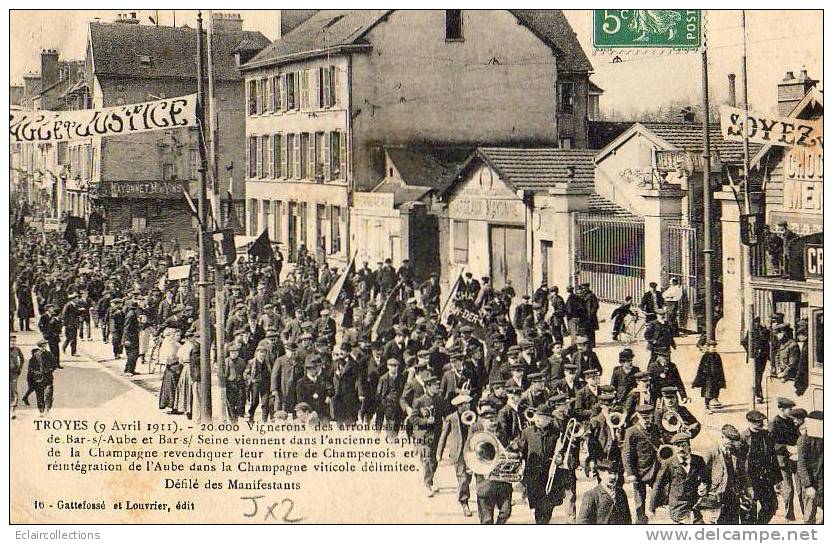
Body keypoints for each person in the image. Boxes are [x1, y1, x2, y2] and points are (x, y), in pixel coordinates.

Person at [648, 432, 708, 524]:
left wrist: (704, 488)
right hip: (677, 508)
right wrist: (651, 508)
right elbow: (658, 486)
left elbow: (706, 480)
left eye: (683, 445)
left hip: (695, 506)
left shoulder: (698, 460)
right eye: (677, 446)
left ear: (689, 446)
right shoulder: (669, 463)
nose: (681, 449)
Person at [468, 405, 513, 524]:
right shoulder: (477, 436)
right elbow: (469, 452)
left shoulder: (502, 433)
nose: (492, 423)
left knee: (506, 512)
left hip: (502, 481)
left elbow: (507, 451)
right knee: (486, 520)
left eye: (494, 419)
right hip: (485, 482)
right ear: (482, 421)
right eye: (489, 420)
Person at [700, 424, 751, 524]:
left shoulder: (734, 451)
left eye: (734, 441)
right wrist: (704, 487)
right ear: (722, 437)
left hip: (733, 496)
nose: (733, 443)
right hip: (716, 497)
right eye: (730, 441)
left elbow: (741, 472)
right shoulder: (711, 452)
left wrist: (747, 488)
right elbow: (701, 472)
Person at [738, 410, 780, 524]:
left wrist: (777, 480)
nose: (761, 424)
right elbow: (739, 463)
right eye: (757, 422)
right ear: (750, 422)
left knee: (771, 505)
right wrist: (743, 484)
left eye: (761, 421)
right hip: (750, 479)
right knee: (749, 509)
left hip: (765, 478)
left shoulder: (766, 435)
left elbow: (773, 458)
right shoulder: (743, 438)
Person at [623, 403, 661, 523]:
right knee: (639, 500)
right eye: (644, 418)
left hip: (654, 468)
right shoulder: (631, 431)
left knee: (658, 490)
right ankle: (640, 522)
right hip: (639, 470)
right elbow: (627, 453)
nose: (647, 420)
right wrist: (630, 472)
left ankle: (651, 512)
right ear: (638, 416)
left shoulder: (655, 428)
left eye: (649, 417)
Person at [437, 393, 474, 517]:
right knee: (463, 478)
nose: (468, 405)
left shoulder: (473, 416)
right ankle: (464, 503)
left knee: (468, 478)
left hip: (470, 451)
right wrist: (439, 452)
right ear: (459, 406)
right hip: (458, 453)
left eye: (468, 403)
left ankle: (462, 495)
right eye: (466, 404)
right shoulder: (451, 418)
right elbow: (443, 436)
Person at [411, 375, 443, 496]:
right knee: (426, 460)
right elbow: (413, 418)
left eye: (437, 385)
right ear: (428, 386)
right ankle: (428, 484)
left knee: (434, 460)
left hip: (436, 434)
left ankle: (430, 479)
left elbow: (445, 412)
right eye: (435, 385)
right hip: (423, 435)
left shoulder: (439, 399)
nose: (437, 387)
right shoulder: (419, 401)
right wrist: (425, 421)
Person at [769, 397, 800, 521]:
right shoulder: (774, 423)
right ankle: (789, 515)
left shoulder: (792, 422)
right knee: (788, 489)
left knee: (801, 488)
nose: (791, 411)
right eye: (789, 409)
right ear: (781, 409)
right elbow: (771, 444)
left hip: (795, 459)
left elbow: (797, 437)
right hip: (782, 461)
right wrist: (787, 448)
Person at [577, 459, 631, 524]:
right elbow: (582, 521)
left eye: (615, 473)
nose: (613, 477)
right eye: (609, 473)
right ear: (601, 474)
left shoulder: (621, 493)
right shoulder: (591, 495)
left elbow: (627, 518)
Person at [796, 410, 823, 523]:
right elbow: (801, 465)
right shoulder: (804, 440)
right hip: (811, 483)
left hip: (823, 481)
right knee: (809, 516)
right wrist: (808, 485)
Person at [27, 339, 59, 418]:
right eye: (42, 346)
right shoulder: (35, 355)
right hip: (39, 379)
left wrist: (50, 369)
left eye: (45, 346)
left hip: (48, 378)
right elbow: (31, 367)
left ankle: (47, 410)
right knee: (40, 395)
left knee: (48, 394)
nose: (44, 347)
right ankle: (41, 411)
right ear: (39, 346)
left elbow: (55, 364)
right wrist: (36, 373)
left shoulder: (49, 354)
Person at [692, 341, 726, 413]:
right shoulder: (705, 356)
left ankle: (713, 403)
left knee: (715, 391)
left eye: (714, 347)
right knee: (708, 393)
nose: (713, 348)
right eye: (712, 347)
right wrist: (700, 378)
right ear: (708, 347)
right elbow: (700, 368)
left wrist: (721, 377)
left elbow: (720, 368)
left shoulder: (717, 356)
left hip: (716, 377)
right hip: (708, 378)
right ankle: (706, 407)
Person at [10, 335, 25, 419]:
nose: (13, 343)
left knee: (13, 390)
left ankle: (12, 410)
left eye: (14, 341)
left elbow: (22, 359)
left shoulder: (17, 349)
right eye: (11, 341)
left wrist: (20, 368)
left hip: (14, 372)